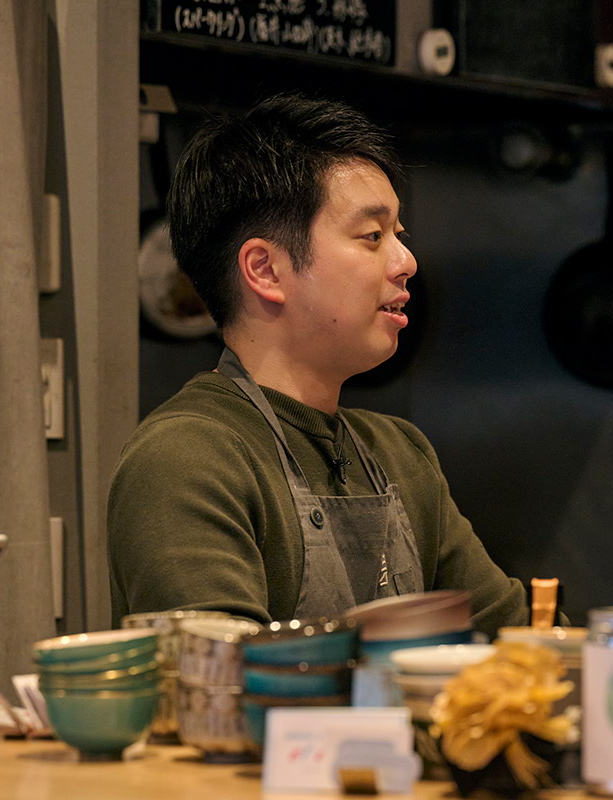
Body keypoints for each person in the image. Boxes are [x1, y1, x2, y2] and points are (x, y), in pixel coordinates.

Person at [107, 92, 527, 639]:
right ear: (266, 270)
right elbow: (224, 691)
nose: (407, 262)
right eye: (372, 236)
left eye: (398, 235)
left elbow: (521, 642)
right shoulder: (187, 457)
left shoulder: (400, 454)